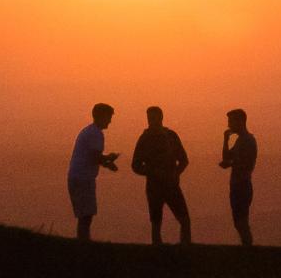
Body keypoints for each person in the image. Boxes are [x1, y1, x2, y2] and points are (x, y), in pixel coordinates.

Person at [130, 105, 191, 245]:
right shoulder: (145, 139)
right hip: (154, 186)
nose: (151, 121)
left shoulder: (171, 136)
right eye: (149, 118)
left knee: (184, 220)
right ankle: (157, 251)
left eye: (153, 117)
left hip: (171, 185)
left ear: (161, 118)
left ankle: (186, 248)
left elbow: (184, 160)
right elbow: (135, 165)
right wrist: (151, 172)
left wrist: (176, 173)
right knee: (156, 222)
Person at [66, 102, 119, 241]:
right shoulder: (96, 134)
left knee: (85, 214)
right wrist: (109, 162)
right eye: (109, 117)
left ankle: (83, 242)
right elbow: (95, 157)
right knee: (86, 215)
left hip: (78, 177)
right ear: (102, 116)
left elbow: (93, 156)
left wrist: (107, 161)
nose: (110, 121)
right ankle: (84, 243)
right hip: (83, 178)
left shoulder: (88, 131)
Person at [219, 108, 258, 246]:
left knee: (241, 221)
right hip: (238, 185)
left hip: (242, 185)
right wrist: (225, 140)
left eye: (231, 121)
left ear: (240, 121)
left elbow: (245, 163)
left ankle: (248, 248)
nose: (229, 125)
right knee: (239, 221)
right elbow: (227, 156)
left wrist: (229, 164)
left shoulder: (247, 140)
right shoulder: (242, 140)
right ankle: (247, 247)